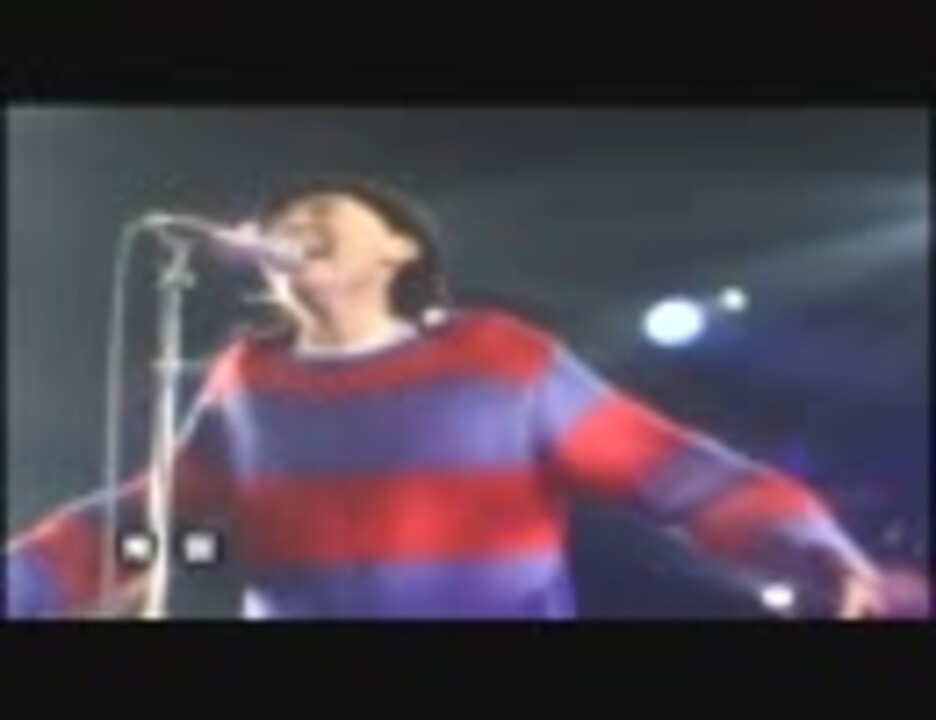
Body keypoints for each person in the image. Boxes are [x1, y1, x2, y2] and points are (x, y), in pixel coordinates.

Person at [4, 177, 903, 620]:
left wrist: (814, 552)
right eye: (277, 222)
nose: (288, 225)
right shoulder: (247, 378)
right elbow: (153, 522)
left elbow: (676, 472)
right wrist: (25, 579)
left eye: (319, 208)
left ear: (398, 250)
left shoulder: (499, 355)